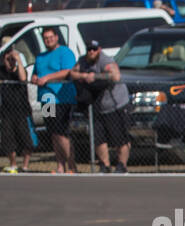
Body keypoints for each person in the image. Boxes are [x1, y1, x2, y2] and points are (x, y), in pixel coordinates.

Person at [70, 40, 131, 173]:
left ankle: (122, 165)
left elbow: (115, 75)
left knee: (119, 138)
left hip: (115, 104)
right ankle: (105, 165)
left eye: (94, 49)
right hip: (96, 106)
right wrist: (84, 75)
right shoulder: (82, 61)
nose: (91, 52)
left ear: (99, 49)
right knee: (98, 137)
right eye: (89, 49)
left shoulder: (105, 60)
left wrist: (96, 76)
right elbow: (72, 73)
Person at [31, 28, 77, 174]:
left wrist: (47, 78)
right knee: (52, 132)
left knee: (61, 132)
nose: (48, 40)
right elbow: (36, 73)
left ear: (56, 37)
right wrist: (35, 78)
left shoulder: (65, 52)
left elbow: (67, 71)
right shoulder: (40, 56)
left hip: (61, 98)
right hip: (47, 98)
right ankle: (60, 165)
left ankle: (72, 166)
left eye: (51, 37)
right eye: (45, 38)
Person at [0, 46, 31, 172]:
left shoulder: (20, 70)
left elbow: (23, 79)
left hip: (22, 111)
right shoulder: (1, 71)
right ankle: (13, 164)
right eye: (8, 57)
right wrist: (5, 61)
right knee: (8, 140)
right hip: (6, 111)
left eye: (12, 57)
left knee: (26, 140)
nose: (10, 60)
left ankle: (25, 166)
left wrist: (18, 60)